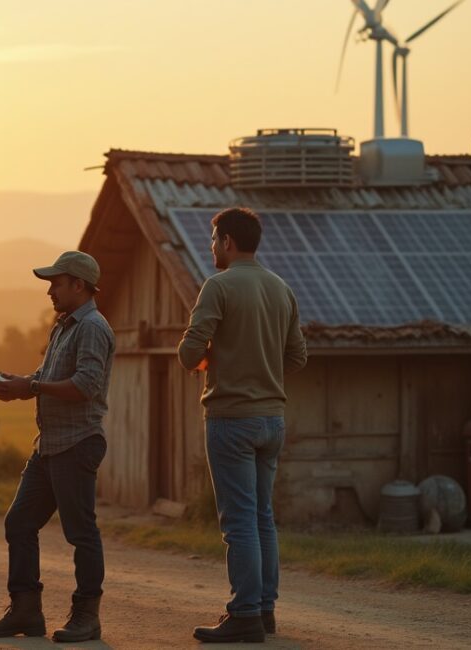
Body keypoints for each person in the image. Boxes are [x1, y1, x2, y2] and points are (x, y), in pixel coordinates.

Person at [177, 207, 307, 644]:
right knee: (262, 517)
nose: (211, 247)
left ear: (228, 242)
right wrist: (261, 370)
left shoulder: (218, 286)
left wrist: (216, 359)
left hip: (231, 419)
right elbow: (297, 357)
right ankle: (265, 610)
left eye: (214, 239)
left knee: (238, 522)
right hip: (273, 419)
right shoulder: (281, 287)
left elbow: (187, 353)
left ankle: (245, 613)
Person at [0, 251, 115, 644]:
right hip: (50, 445)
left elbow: (86, 385)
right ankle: (25, 611)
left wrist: (31, 387)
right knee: (19, 523)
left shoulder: (92, 328)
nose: (50, 291)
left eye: (56, 283)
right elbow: (47, 376)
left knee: (80, 532)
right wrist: (14, 387)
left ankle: (87, 616)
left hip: (77, 443)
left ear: (79, 285)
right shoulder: (64, 326)